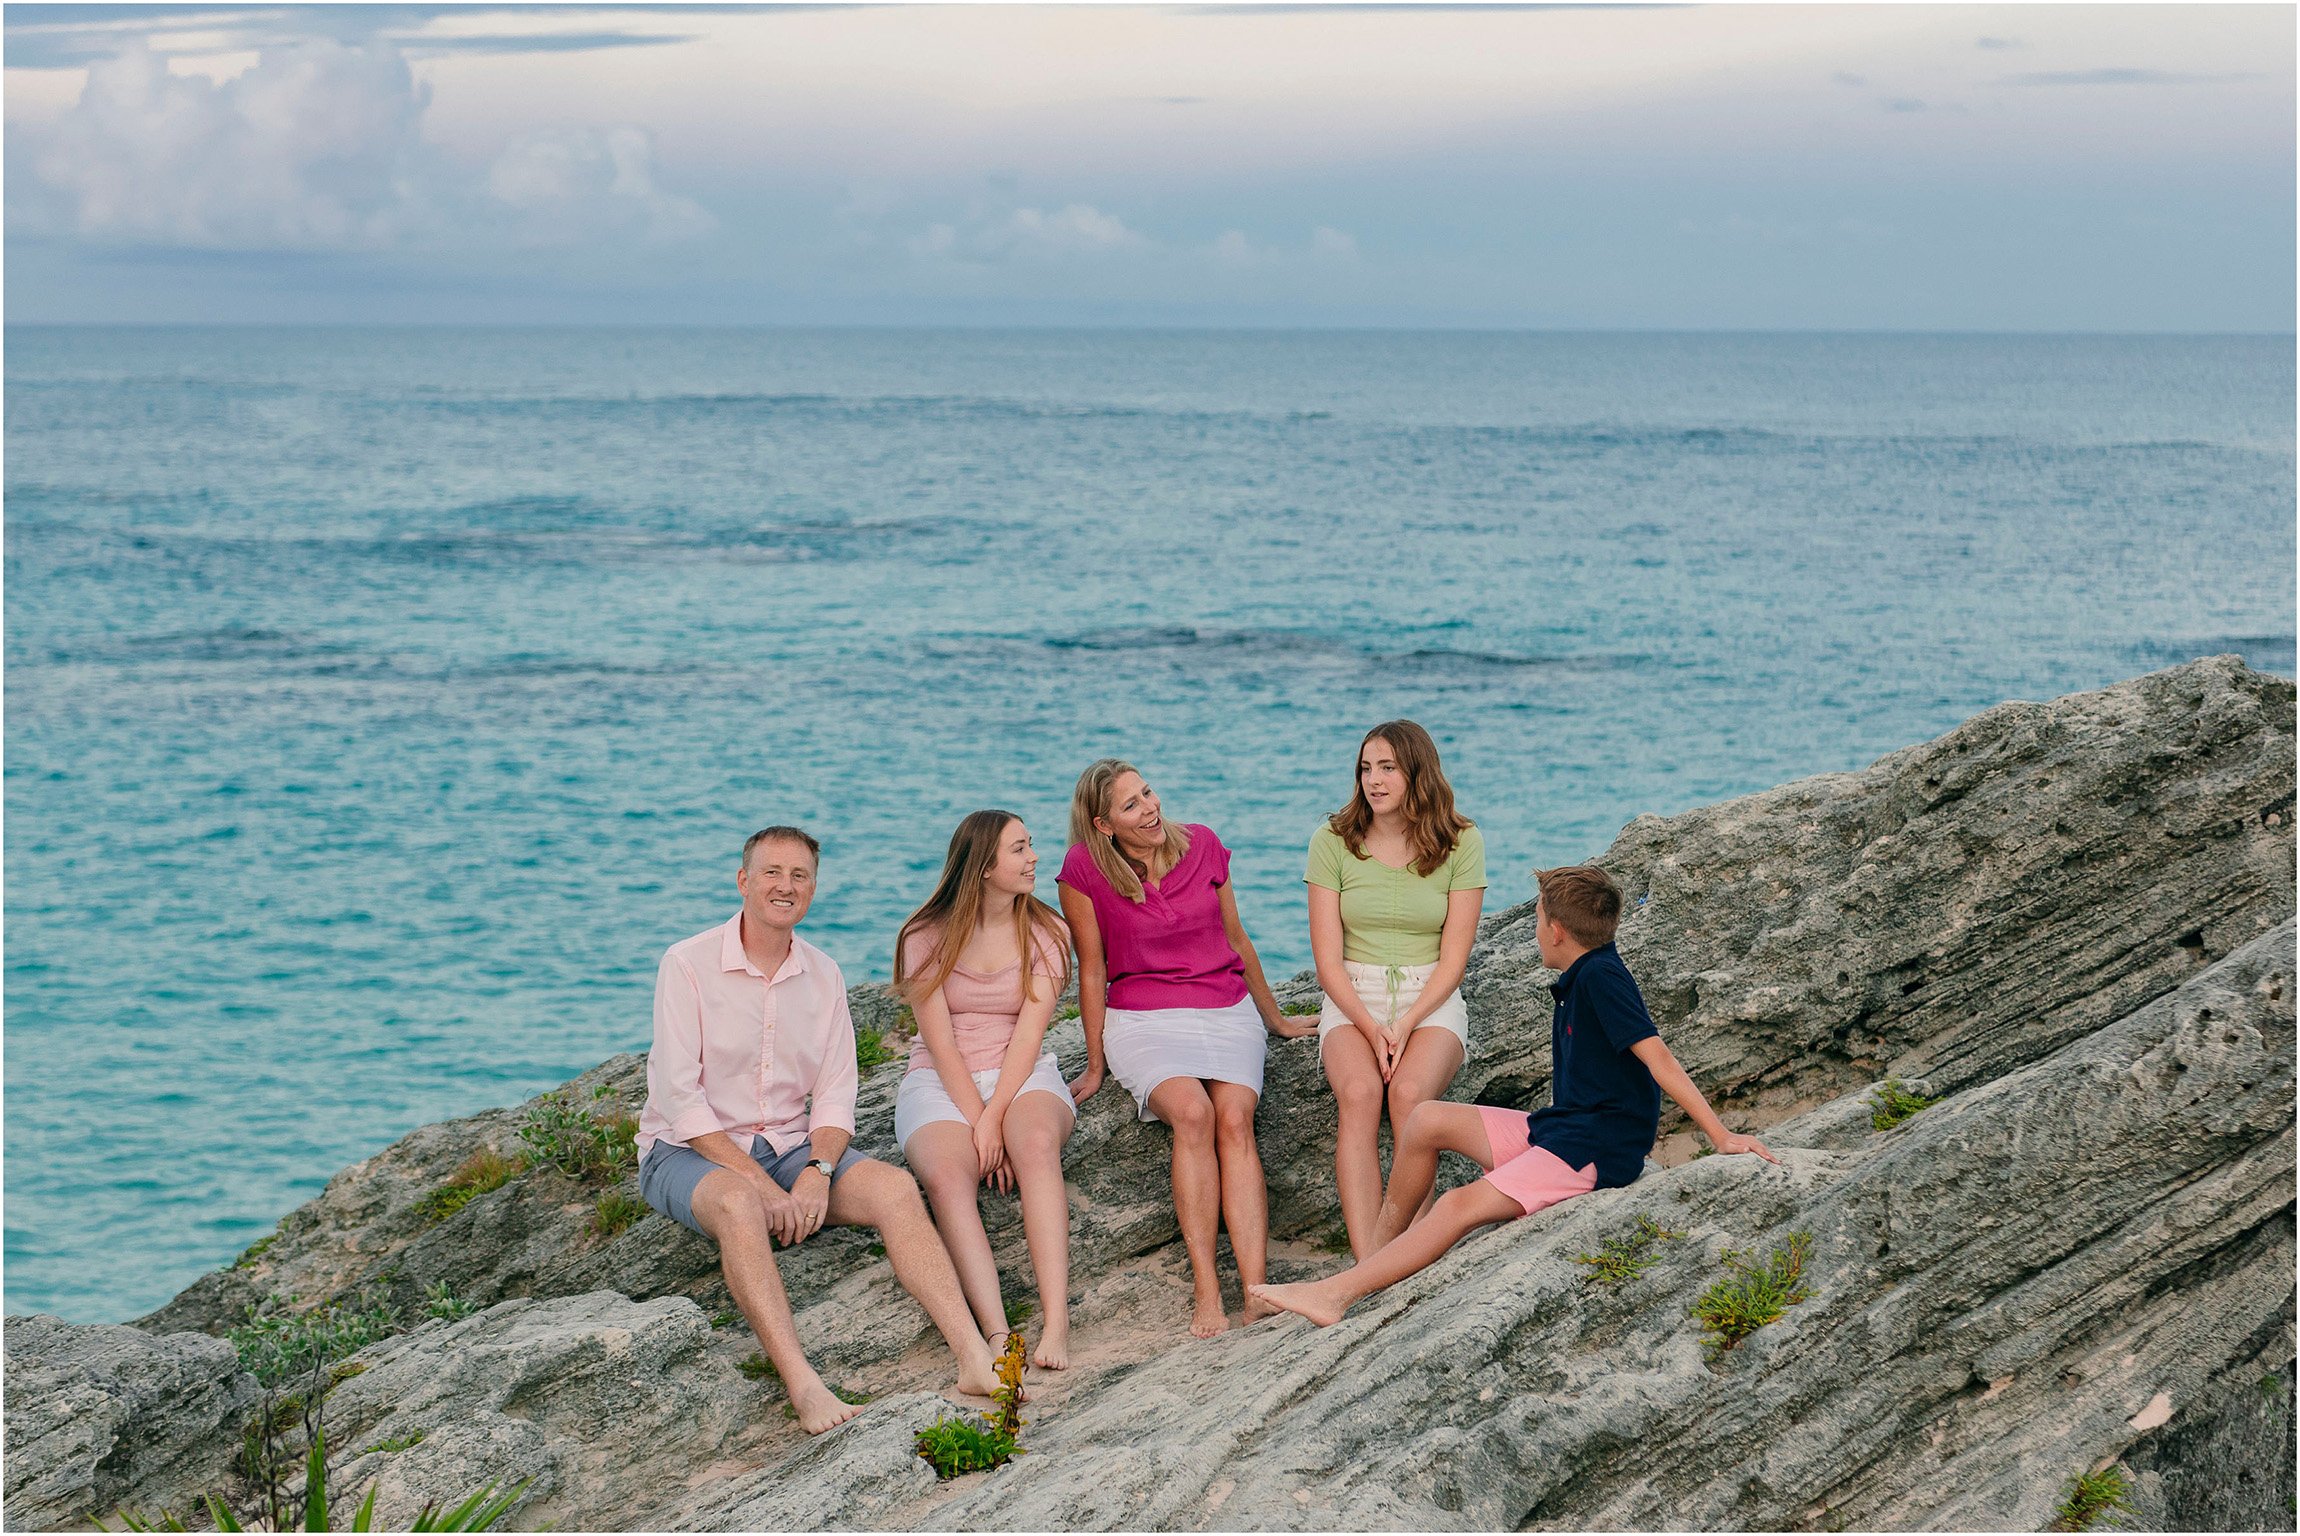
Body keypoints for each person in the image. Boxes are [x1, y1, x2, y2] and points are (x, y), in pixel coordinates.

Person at [1250, 864, 1778, 1328]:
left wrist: (1720, 1135)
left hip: (1592, 1151)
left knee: (1459, 1204)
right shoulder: (1585, 971)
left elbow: (1657, 1057)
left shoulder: (1602, 980)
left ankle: (1337, 1295)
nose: (1534, 932)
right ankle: (1374, 1264)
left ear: (1555, 930)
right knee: (1426, 1120)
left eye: (1536, 922)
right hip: (1562, 1127)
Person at [636, 825, 1003, 1432]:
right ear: (743, 881)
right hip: (686, 1153)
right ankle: (804, 1389)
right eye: (772, 873)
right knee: (735, 1203)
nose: (786, 886)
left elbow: (835, 1097)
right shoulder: (687, 963)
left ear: (813, 887)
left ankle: (972, 1355)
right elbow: (680, 1101)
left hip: (789, 1147)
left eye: (800, 876)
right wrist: (763, 1188)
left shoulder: (824, 975)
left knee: (895, 1189)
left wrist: (817, 1171)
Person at [1058, 760, 1315, 1338]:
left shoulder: (1203, 845)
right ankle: (1206, 1290)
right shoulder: (1082, 870)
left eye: (1147, 793)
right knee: (1193, 1115)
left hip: (1225, 1006)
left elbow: (1236, 938)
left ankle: (1256, 1291)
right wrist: (1095, 1063)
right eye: (1131, 805)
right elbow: (1093, 969)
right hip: (1142, 1017)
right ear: (1103, 825)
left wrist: (1273, 1018)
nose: (1149, 808)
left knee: (1235, 1118)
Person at [893, 810, 1079, 1371]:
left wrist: (995, 1116)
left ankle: (1056, 1323)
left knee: (1036, 1149)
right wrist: (979, 1121)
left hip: (1021, 1074)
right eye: (1019, 850)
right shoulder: (923, 935)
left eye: (1031, 846)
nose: (1033, 859)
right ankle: (998, 1337)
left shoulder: (1048, 930)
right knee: (949, 1176)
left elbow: (1029, 1032)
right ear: (983, 869)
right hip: (938, 1077)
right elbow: (940, 1043)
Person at [1307, 720, 1486, 1256]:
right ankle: (1368, 1260)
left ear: (1417, 772)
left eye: (1387, 768)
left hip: (1428, 998)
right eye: (1366, 768)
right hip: (1353, 996)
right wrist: (1373, 1027)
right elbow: (1327, 964)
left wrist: (1405, 1025)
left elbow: (1454, 961)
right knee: (1360, 1096)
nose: (1374, 780)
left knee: (1410, 1096)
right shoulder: (1332, 841)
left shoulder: (1462, 840)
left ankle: (1412, 1252)